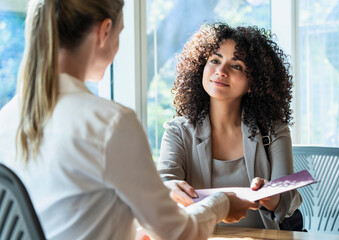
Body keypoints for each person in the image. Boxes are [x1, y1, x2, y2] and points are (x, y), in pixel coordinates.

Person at [0, 2, 259, 240]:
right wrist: (221, 204)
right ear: (104, 31)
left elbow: (68, 217)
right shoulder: (110, 123)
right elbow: (178, 233)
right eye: (120, 33)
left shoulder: (7, 118)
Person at [157, 23, 302, 229]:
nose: (221, 71)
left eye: (236, 66)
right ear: (201, 67)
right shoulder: (178, 131)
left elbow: (287, 201)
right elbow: (164, 184)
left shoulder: (274, 130)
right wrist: (169, 188)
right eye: (215, 60)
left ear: (255, 81)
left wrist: (269, 196)